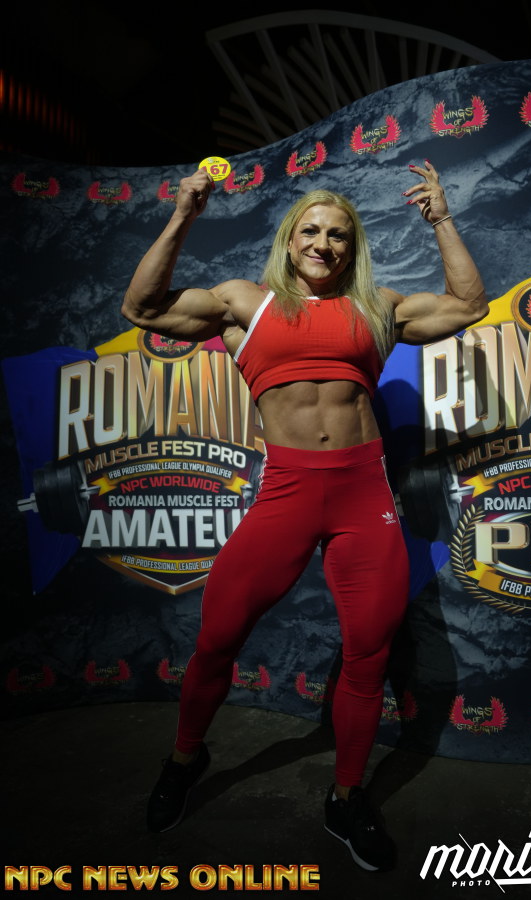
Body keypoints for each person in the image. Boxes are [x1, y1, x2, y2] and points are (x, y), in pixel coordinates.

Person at [121, 160, 487, 871]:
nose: (324, 243)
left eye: (338, 235)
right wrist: (184, 213)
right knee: (217, 639)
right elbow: (143, 309)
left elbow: (468, 306)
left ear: (353, 247)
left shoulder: (376, 307)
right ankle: (185, 758)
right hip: (287, 495)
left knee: (368, 656)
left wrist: (441, 219)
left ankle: (346, 796)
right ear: (290, 240)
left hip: (363, 500)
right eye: (311, 231)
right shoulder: (244, 303)